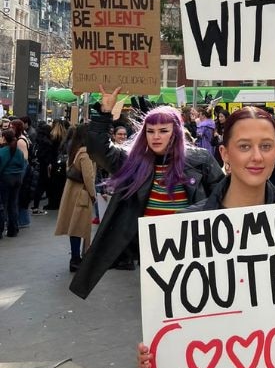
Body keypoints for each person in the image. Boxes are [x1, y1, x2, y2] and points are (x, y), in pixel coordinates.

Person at [136, 105, 275, 368]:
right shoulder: (188, 227)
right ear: (224, 153)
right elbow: (170, 318)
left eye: (266, 145)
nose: (256, 157)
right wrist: (156, 352)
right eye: (244, 146)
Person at [70, 88, 224, 297]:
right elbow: (98, 150)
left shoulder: (201, 159)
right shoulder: (131, 160)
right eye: (150, 131)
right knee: (159, 301)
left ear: (176, 132)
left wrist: (186, 216)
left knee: (191, 297)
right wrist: (104, 113)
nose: (156, 137)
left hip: (192, 245)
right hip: (151, 247)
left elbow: (221, 196)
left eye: (163, 131)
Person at [54, 124, 96, 272]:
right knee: (80, 228)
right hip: (82, 195)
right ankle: (76, 259)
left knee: (74, 228)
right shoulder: (85, 154)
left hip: (72, 194)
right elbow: (89, 178)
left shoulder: (75, 151)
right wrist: (93, 195)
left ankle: (76, 257)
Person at [0, 129, 28, 238]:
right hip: (17, 179)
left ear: (4, 138)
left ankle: (1, 229)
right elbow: (23, 164)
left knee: (2, 205)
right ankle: (13, 229)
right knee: (13, 204)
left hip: (5, 179)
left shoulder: (2, 152)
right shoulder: (18, 151)